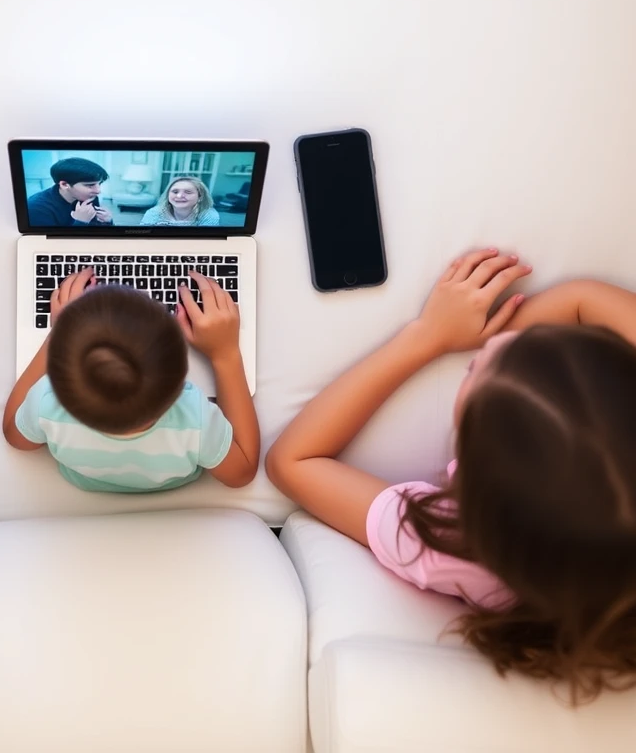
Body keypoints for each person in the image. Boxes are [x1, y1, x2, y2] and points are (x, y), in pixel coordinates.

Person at [265, 248, 636, 702]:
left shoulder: (451, 540)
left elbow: (292, 462)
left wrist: (427, 336)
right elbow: (582, 298)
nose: (495, 342)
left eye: (476, 368)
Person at [3, 268, 259, 492]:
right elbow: (242, 472)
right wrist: (225, 355)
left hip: (84, 480)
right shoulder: (194, 419)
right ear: (182, 377)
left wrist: (59, 334)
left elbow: (14, 435)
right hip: (172, 483)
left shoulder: (46, 404)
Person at [27, 157, 114, 227]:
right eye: (89, 185)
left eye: (100, 183)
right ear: (64, 184)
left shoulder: (88, 197)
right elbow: (51, 246)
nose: (98, 191)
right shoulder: (36, 209)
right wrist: (81, 222)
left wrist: (107, 222)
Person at [140, 177, 220, 227]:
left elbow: (206, 241)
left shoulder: (209, 215)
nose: (179, 196)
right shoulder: (154, 212)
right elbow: (143, 238)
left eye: (188, 192)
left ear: (200, 197)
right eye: (175, 192)